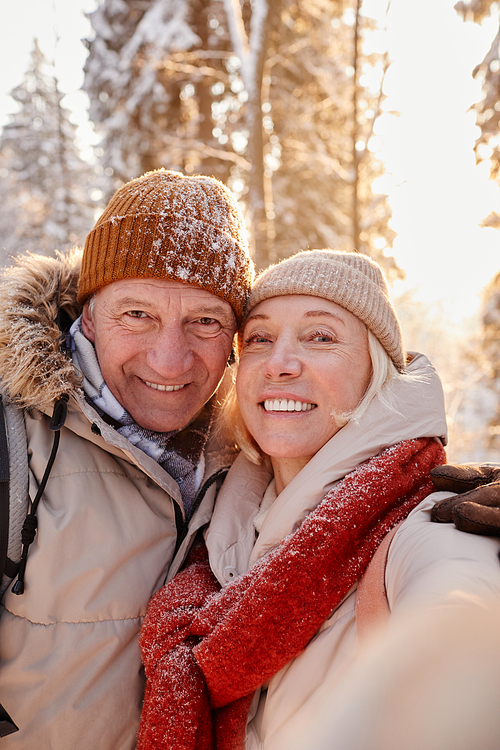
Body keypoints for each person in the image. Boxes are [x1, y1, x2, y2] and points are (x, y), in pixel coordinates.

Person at [137, 249, 500, 750]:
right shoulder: (214, 543)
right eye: (260, 339)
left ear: (375, 373)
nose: (280, 364)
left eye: (321, 337)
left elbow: (463, 615)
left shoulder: (426, 527)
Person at [0, 169, 254, 748]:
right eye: (137, 314)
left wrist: (441, 503)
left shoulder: (256, 446)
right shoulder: (12, 436)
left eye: (205, 321)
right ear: (86, 315)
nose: (169, 361)